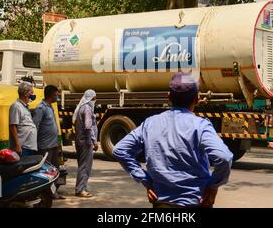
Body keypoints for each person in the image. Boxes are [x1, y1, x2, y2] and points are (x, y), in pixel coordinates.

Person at [113, 72, 233, 208]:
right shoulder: (200, 126)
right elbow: (224, 157)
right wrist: (212, 186)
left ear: (168, 97)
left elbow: (120, 150)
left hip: (161, 203)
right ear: (197, 99)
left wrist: (145, 179)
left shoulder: (150, 124)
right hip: (195, 202)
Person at [33, 84, 65, 199]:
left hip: (53, 145)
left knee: (54, 170)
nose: (57, 97)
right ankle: (47, 194)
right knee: (46, 172)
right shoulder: (40, 108)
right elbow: (35, 126)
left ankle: (53, 192)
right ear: (51, 95)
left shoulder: (50, 107)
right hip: (45, 146)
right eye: (56, 94)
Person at [73, 89, 98, 197]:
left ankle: (82, 187)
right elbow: (88, 126)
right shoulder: (87, 108)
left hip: (81, 140)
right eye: (94, 98)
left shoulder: (81, 107)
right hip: (86, 141)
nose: (95, 100)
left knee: (82, 165)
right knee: (85, 166)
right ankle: (80, 189)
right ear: (91, 98)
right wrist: (94, 141)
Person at [9, 82, 38, 156]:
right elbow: (13, 126)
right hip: (22, 147)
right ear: (26, 94)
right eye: (31, 92)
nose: (33, 95)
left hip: (29, 146)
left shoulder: (24, 107)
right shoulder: (16, 106)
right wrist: (17, 145)